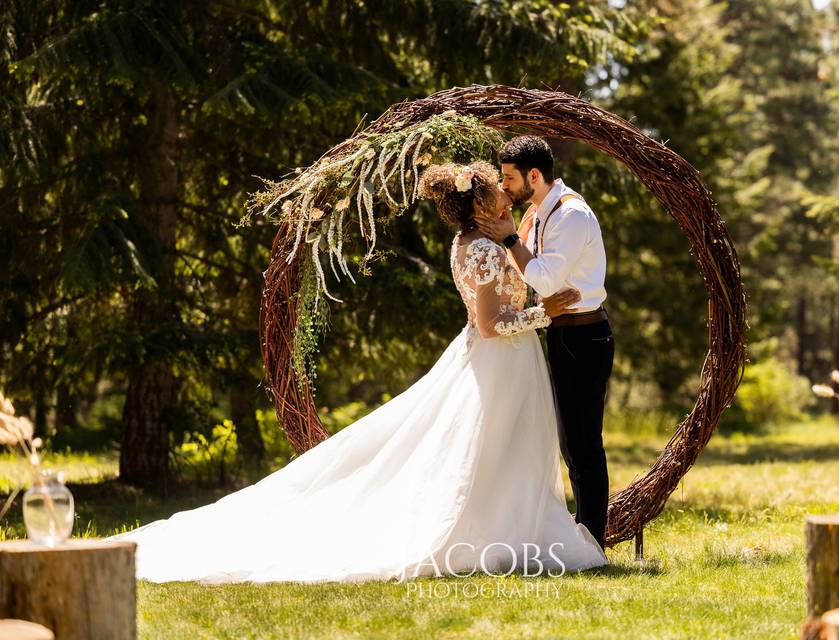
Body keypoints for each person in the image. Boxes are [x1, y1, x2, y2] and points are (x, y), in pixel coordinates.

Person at [105, 160, 608, 584]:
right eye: (500, 189)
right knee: (494, 446)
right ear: (480, 206)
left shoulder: (481, 241)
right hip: (501, 360)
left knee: (507, 449)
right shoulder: (478, 249)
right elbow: (491, 324)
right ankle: (498, 532)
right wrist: (549, 312)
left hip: (511, 363)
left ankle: (515, 526)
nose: (507, 193)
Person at [476, 136, 614, 548]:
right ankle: (583, 532)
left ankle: (592, 540)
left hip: (585, 335)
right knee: (571, 443)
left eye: (510, 178)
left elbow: (546, 280)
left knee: (584, 444)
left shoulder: (571, 215)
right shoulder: (539, 213)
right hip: (564, 332)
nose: (505, 187)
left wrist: (508, 239)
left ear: (534, 176)